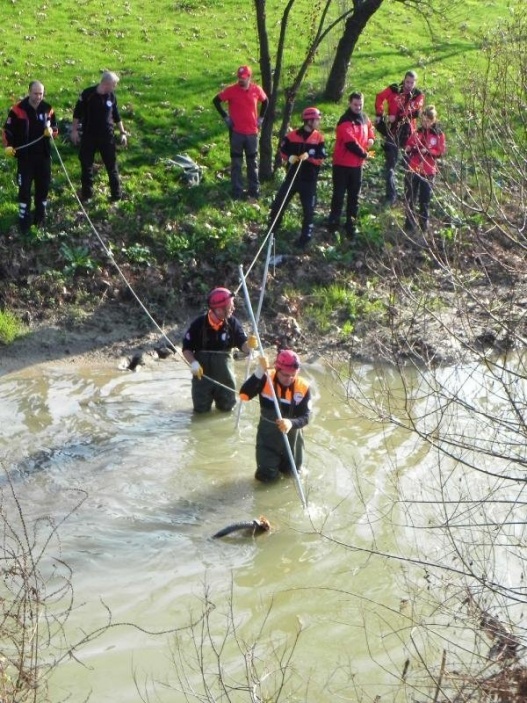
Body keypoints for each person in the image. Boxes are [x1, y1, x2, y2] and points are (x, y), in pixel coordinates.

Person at [239, 349, 311, 483]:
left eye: (292, 375)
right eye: (284, 375)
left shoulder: (303, 387)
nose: (288, 379)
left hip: (292, 440)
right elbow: (244, 395)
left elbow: (306, 417)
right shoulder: (266, 378)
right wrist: (259, 372)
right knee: (266, 478)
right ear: (277, 369)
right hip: (268, 439)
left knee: (293, 477)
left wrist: (291, 423)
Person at [182, 287, 258, 413]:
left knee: (227, 411)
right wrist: (193, 363)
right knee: (200, 412)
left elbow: (243, 346)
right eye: (230, 306)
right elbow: (186, 349)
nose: (233, 308)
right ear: (218, 309)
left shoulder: (233, 323)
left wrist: (250, 346)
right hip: (202, 377)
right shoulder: (198, 324)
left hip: (225, 379)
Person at [2, 80, 58, 233]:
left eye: (41, 93)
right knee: (24, 189)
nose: (38, 96)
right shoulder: (17, 109)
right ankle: (24, 219)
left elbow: (55, 128)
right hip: (25, 158)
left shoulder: (48, 109)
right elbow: (7, 130)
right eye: (35, 93)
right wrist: (7, 145)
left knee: (43, 187)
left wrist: (51, 132)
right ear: (29, 92)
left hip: (44, 156)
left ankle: (40, 217)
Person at [268, 107, 326, 249]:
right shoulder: (291, 136)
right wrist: (289, 158)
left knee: (309, 210)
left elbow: (321, 157)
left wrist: (310, 158)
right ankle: (272, 230)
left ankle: (305, 238)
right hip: (292, 178)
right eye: (316, 119)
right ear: (309, 121)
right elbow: (282, 150)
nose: (318, 122)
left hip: (309, 180)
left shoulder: (319, 138)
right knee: (279, 203)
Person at [70, 71, 128, 202]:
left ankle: (116, 195)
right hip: (89, 136)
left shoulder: (111, 96)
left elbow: (117, 116)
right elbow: (77, 113)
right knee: (86, 165)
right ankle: (87, 194)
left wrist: (122, 132)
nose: (115, 87)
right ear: (107, 84)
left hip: (107, 137)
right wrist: (74, 131)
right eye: (114, 84)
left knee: (111, 166)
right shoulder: (88, 94)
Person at [212, 65, 268, 200]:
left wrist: (261, 118)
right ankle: (237, 191)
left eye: (243, 78)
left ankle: (254, 190)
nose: (240, 80)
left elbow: (265, 101)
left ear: (249, 77)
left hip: (252, 133)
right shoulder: (231, 90)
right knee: (236, 163)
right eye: (239, 78)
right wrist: (226, 117)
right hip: (236, 132)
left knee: (252, 162)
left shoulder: (256, 89)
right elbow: (216, 101)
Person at [327, 92, 375, 239]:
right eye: (355, 104)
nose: (358, 107)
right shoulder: (344, 121)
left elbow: (371, 129)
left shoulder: (364, 118)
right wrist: (365, 154)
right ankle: (333, 223)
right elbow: (350, 143)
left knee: (354, 196)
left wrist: (372, 139)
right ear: (349, 103)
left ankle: (350, 223)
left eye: (360, 104)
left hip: (357, 165)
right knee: (339, 195)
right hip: (342, 164)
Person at [374, 70, 424, 206]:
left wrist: (396, 116)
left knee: (409, 166)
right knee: (390, 165)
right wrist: (380, 114)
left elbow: (413, 111)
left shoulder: (418, 95)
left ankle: (410, 196)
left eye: (412, 82)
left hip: (408, 134)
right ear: (404, 80)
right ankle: (391, 196)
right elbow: (379, 97)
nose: (409, 85)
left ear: (415, 83)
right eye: (407, 82)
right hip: (393, 131)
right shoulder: (394, 89)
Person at [403, 105, 446, 234]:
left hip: (428, 170)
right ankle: (409, 224)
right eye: (423, 120)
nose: (425, 123)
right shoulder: (418, 132)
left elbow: (440, 151)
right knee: (410, 197)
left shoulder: (438, 135)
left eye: (428, 121)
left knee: (424, 200)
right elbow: (409, 143)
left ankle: (423, 226)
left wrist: (428, 151)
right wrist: (409, 148)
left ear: (433, 120)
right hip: (414, 168)